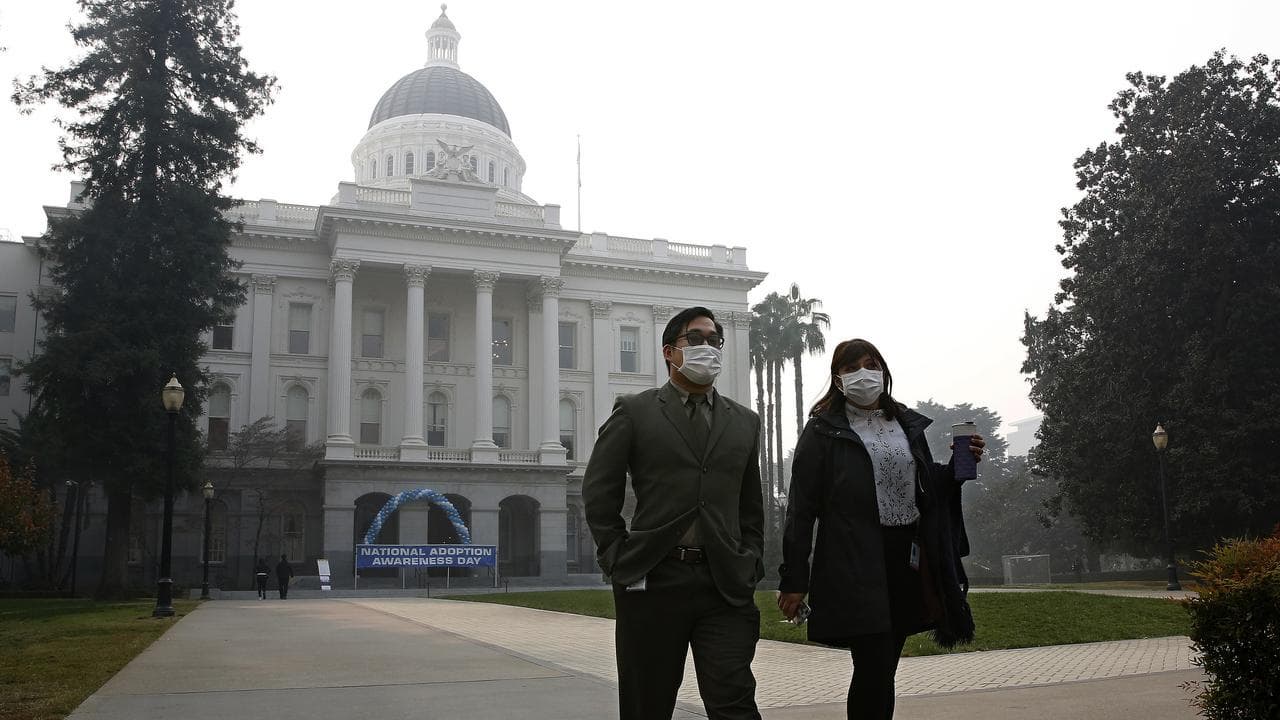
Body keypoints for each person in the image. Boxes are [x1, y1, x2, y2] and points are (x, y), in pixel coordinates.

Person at [777, 338, 982, 720]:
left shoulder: (904, 423)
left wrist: (956, 467)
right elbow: (801, 510)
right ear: (837, 379)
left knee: (884, 663)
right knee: (873, 661)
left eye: (870, 364)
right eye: (851, 367)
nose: (862, 374)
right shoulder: (823, 431)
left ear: (884, 372)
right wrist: (794, 578)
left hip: (905, 559)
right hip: (854, 560)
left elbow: (923, 484)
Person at [584, 306, 765, 720]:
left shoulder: (744, 422)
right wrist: (617, 558)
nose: (708, 347)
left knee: (734, 699)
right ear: (670, 351)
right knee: (648, 703)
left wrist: (750, 558)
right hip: (654, 580)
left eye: (714, 340)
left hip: (724, 584)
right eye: (695, 339)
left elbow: (750, 506)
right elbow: (599, 492)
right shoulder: (635, 411)